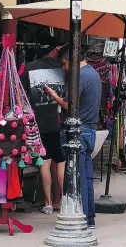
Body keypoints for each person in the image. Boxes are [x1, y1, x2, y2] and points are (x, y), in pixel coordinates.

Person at [46, 44, 102, 229]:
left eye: (64, 63)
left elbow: (71, 106)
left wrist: (54, 96)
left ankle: (83, 219)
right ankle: (89, 218)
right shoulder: (93, 74)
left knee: (78, 179)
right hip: (90, 130)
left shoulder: (79, 77)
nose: (63, 68)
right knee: (86, 178)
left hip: (78, 131)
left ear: (71, 60)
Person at [20, 37, 66, 215]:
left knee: (44, 163)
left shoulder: (29, 68)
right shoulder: (62, 68)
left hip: (38, 123)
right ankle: (61, 201)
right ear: (54, 50)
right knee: (60, 161)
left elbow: (22, 94)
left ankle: (47, 203)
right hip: (59, 122)